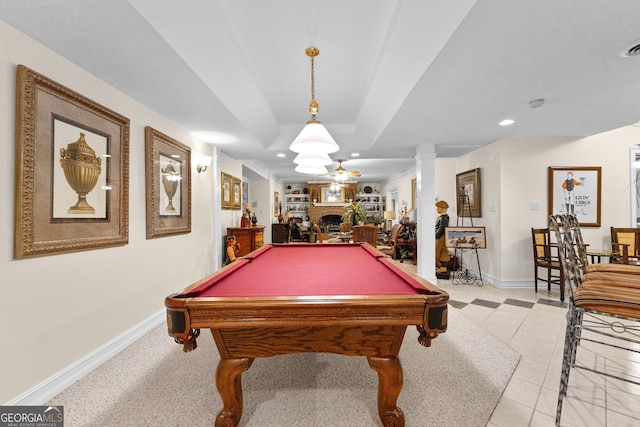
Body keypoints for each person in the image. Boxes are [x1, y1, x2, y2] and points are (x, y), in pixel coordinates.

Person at [435, 200, 450, 273]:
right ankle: (442, 267)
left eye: (438, 208)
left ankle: (442, 267)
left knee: (439, 252)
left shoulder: (443, 218)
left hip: (441, 237)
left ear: (441, 208)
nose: (436, 209)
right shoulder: (442, 217)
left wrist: (436, 235)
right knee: (441, 251)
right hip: (441, 237)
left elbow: (441, 228)